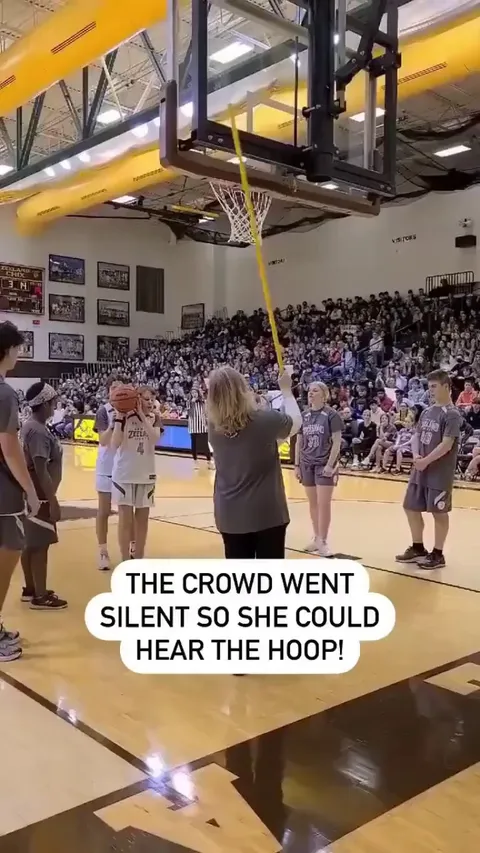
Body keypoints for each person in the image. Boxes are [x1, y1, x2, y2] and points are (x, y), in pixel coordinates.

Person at [208, 367, 301, 559]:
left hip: (229, 514)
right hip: (266, 513)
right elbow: (296, 423)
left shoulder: (213, 425)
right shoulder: (264, 419)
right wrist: (286, 391)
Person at [0, 322, 40, 660]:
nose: (19, 353)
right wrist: (30, 489)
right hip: (3, 491)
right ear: (8, 350)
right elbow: (9, 447)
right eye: (17, 347)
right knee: (8, 553)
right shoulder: (4, 393)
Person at [396, 370, 462, 569]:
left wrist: (426, 461)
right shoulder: (426, 411)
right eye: (429, 386)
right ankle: (418, 548)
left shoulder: (452, 414)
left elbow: (447, 444)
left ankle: (438, 554)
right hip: (421, 470)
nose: (430, 390)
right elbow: (417, 435)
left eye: (434, 386)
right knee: (410, 507)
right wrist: (416, 456)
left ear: (446, 387)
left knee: (439, 513)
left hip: (439, 473)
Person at [20, 382, 67, 610]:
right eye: (53, 403)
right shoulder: (37, 431)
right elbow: (41, 470)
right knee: (40, 546)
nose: (55, 406)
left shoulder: (30, 426)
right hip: (40, 495)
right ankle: (40, 596)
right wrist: (53, 502)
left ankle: (31, 588)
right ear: (44, 404)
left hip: (31, 493)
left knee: (30, 544)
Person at [111, 386, 162, 561]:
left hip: (146, 474)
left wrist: (141, 415)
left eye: (152, 399)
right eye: (146, 399)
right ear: (137, 399)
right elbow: (114, 444)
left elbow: (155, 439)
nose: (150, 402)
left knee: (142, 521)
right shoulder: (122, 416)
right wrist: (119, 419)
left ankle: (139, 557)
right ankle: (125, 559)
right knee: (125, 521)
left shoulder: (155, 418)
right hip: (124, 474)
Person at [295, 381, 343, 557]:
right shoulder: (304, 415)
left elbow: (337, 442)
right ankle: (316, 538)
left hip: (324, 464)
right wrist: (297, 464)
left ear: (324, 394)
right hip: (307, 463)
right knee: (313, 504)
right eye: (309, 391)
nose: (310, 393)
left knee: (324, 504)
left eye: (315, 390)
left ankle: (323, 540)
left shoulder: (332, 415)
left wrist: (331, 465)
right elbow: (299, 442)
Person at [94, 377, 134, 571]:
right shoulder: (103, 411)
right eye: (113, 388)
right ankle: (102, 551)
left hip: (125, 466)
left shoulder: (133, 410)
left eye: (120, 388)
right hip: (106, 467)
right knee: (104, 511)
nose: (117, 391)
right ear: (109, 391)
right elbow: (103, 440)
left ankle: (130, 549)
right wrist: (115, 421)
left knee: (127, 513)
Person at [187, 388, 213, 470]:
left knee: (205, 444)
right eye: (192, 393)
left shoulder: (203, 402)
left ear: (198, 393)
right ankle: (195, 461)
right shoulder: (189, 403)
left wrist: (207, 422)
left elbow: (206, 413)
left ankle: (209, 461)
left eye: (195, 392)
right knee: (194, 445)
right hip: (193, 426)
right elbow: (190, 414)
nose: (194, 394)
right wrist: (192, 403)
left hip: (202, 425)